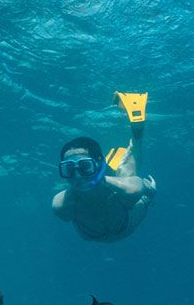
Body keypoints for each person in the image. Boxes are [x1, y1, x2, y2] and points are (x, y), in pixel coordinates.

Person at [52, 92, 156, 242]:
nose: (78, 175)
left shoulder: (130, 189)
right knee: (127, 186)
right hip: (112, 228)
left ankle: (137, 131)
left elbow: (137, 186)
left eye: (85, 167)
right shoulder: (60, 205)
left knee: (129, 180)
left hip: (127, 223)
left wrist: (148, 191)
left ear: (100, 163)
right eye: (69, 169)